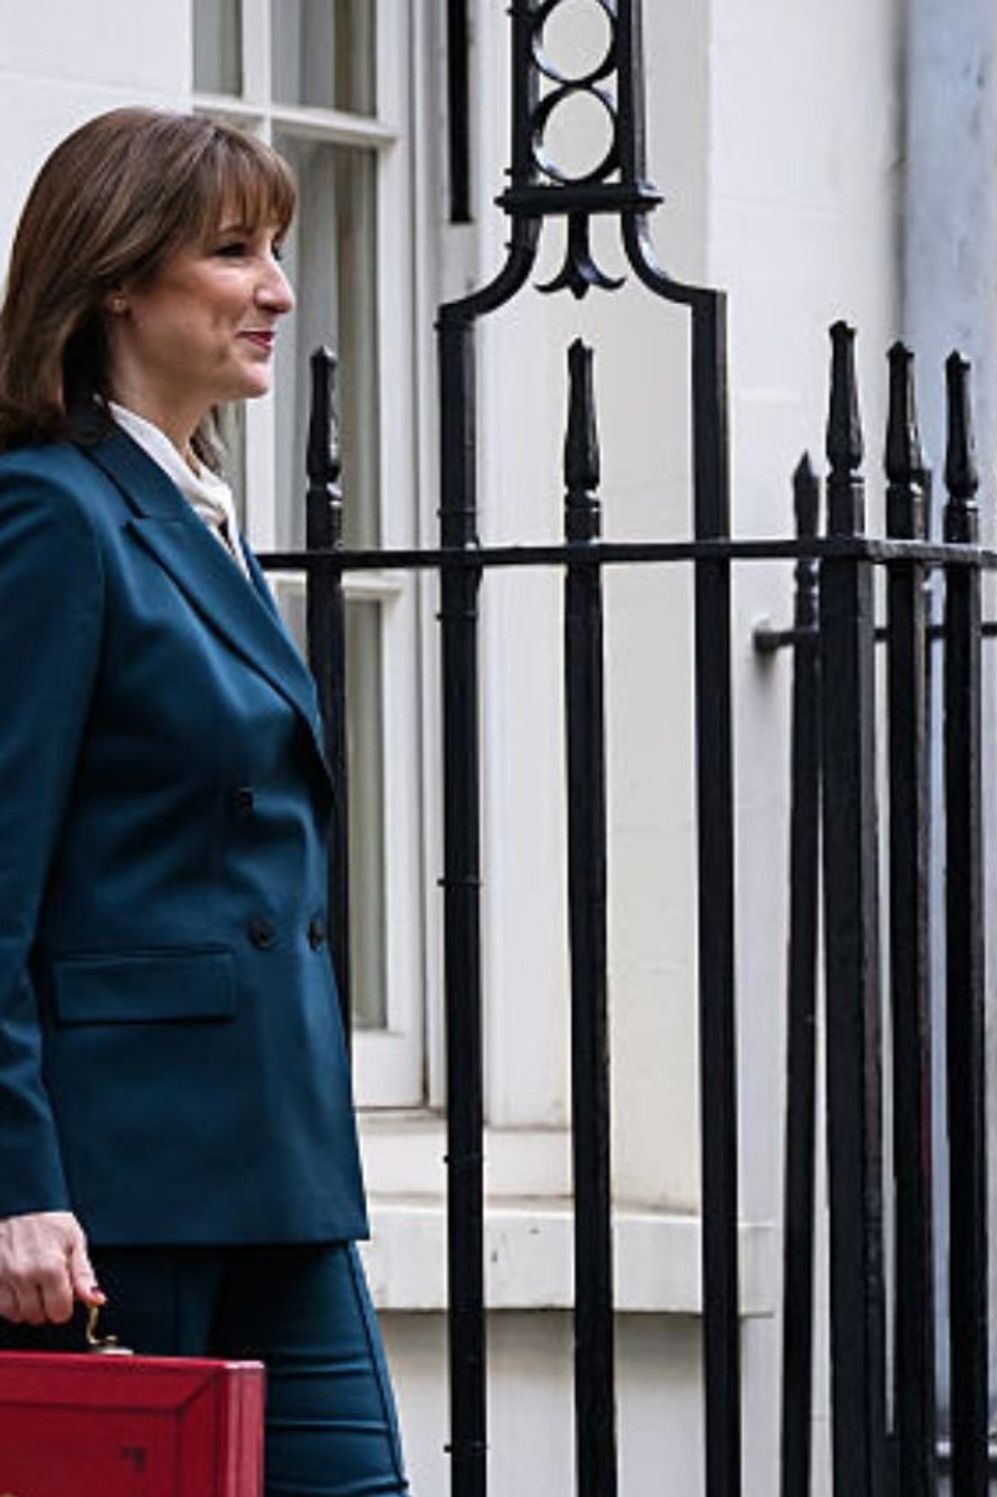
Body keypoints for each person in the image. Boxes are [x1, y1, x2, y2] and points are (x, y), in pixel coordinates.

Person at [0, 108, 408, 1490]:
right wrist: (16, 1183)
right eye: (234, 252)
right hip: (119, 1192)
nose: (278, 291)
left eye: (279, 250)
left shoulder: (191, 510)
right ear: (118, 275)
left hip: (276, 1166)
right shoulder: (54, 513)